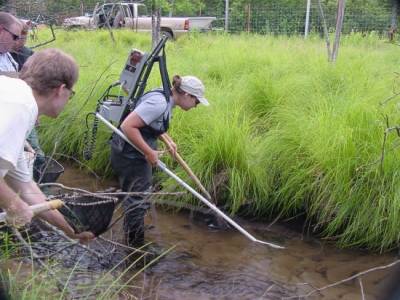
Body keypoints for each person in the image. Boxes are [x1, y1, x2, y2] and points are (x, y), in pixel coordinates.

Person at [0, 48, 93, 242]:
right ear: (61, 89)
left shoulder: (15, 96)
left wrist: (71, 232)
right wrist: (15, 206)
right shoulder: (20, 105)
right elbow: (19, 200)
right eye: (71, 93)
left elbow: (27, 189)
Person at [110, 75, 209, 248]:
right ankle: (135, 248)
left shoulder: (165, 98)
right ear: (186, 95)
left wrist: (167, 140)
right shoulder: (159, 103)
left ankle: (133, 239)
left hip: (132, 151)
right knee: (137, 201)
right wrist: (149, 152)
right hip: (130, 155)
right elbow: (128, 126)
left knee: (137, 197)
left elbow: (148, 121)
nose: (196, 106)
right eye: (197, 102)